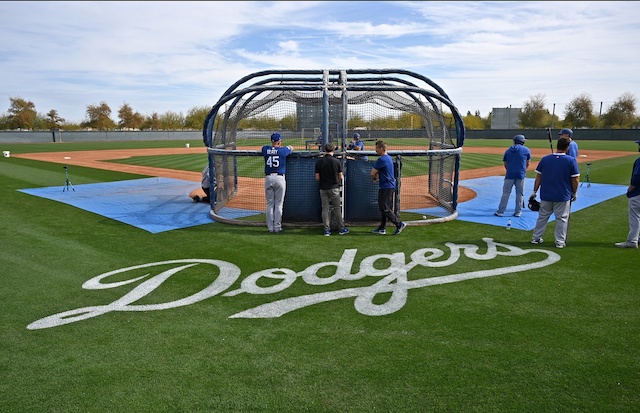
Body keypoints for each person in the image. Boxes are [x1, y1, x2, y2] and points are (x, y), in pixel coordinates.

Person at [529, 136, 580, 248]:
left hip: (546, 194)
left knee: (542, 217)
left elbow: (538, 177)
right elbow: (575, 179)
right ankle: (560, 241)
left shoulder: (545, 159)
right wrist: (574, 192)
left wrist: (534, 191)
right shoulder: (571, 160)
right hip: (562, 195)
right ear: (567, 148)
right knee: (561, 219)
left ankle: (536, 238)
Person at [370, 140, 406, 235]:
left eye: (377, 148)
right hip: (387, 186)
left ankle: (399, 224)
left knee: (384, 207)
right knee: (383, 207)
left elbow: (372, 172)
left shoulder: (382, 159)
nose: (376, 150)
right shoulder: (388, 158)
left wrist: (374, 178)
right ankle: (382, 228)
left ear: (381, 148)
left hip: (387, 186)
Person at [315, 143, 349, 236]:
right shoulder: (336, 162)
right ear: (333, 150)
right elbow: (340, 176)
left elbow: (317, 178)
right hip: (334, 188)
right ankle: (341, 228)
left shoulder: (319, 162)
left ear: (325, 150)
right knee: (337, 208)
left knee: (325, 209)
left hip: (323, 188)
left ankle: (326, 229)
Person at [262, 132, 293, 233]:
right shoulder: (283, 151)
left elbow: (264, 148)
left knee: (270, 204)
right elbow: (291, 147)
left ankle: (270, 228)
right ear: (279, 142)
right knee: (279, 204)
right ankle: (277, 227)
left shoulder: (265, 149)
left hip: (269, 178)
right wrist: (282, 147)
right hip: (280, 178)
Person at [495, 134, 531, 217]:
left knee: (506, 193)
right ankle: (518, 212)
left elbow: (505, 163)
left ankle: (500, 211)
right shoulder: (526, 150)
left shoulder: (508, 150)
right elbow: (527, 163)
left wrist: (510, 170)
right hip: (520, 174)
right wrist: (523, 170)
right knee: (519, 194)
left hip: (509, 174)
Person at [614, 139, 640, 248]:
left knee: (635, 217)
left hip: (638, 193)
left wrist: (630, 189)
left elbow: (636, 177)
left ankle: (632, 241)